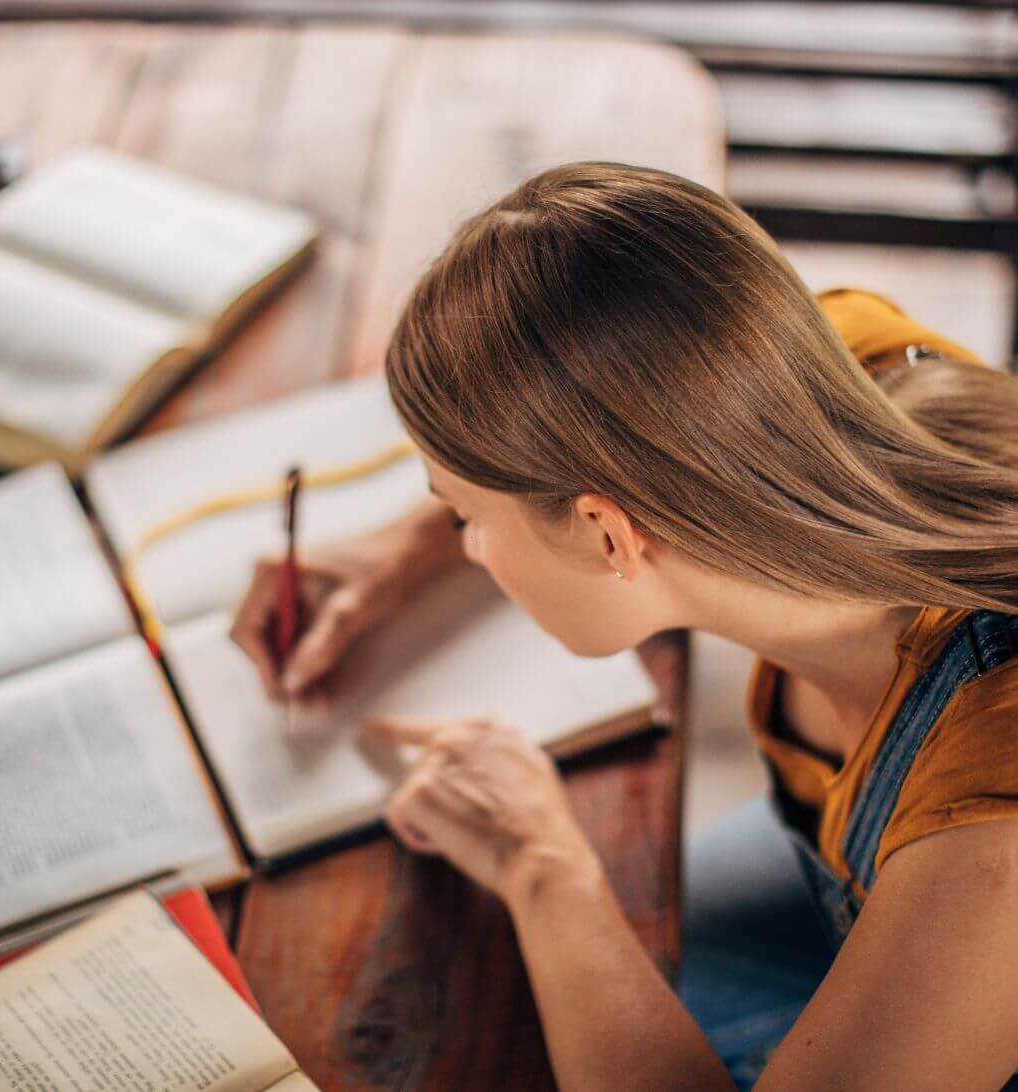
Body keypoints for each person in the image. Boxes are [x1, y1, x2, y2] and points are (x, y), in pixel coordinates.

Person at [230, 162, 1018, 1091]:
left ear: (609, 531)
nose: (466, 546)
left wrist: (544, 866)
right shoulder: (836, 358)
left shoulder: (992, 834)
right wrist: (398, 553)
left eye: (465, 518)